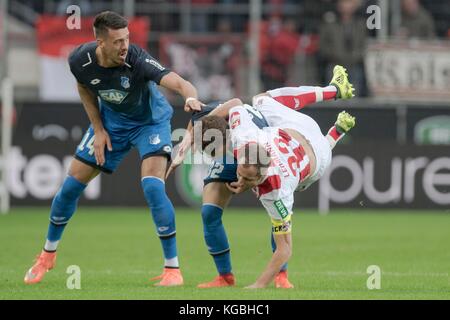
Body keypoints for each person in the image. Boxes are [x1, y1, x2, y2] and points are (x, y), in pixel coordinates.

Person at [24, 11, 204, 286]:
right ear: (100, 42)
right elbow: (84, 86)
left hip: (150, 123)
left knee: (153, 187)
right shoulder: (79, 60)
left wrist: (190, 97)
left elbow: (179, 83)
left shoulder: (138, 59)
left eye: (127, 39)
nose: (125, 46)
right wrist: (97, 129)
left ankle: (172, 270)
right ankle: (47, 255)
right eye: (118, 41)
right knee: (70, 187)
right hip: (112, 125)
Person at [168, 65, 355, 288]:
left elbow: (286, 248)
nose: (244, 182)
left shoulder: (276, 192)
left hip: (316, 156)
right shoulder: (244, 134)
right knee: (261, 99)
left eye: (249, 181)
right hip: (293, 129)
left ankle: (335, 133)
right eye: (242, 175)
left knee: (281, 217)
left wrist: (258, 285)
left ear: (261, 176)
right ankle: (333, 90)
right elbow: (235, 104)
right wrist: (190, 138)